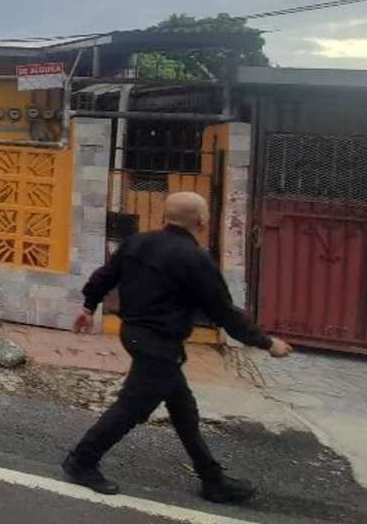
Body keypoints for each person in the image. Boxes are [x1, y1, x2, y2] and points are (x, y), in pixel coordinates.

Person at [63, 191, 292, 504]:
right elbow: (223, 312)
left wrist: (89, 308)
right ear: (200, 221)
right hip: (158, 344)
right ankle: (81, 461)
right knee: (132, 407)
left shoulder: (137, 242)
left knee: (183, 410)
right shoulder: (195, 259)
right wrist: (267, 343)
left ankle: (212, 479)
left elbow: (104, 276)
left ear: (164, 215)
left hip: (135, 335)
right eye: (207, 214)